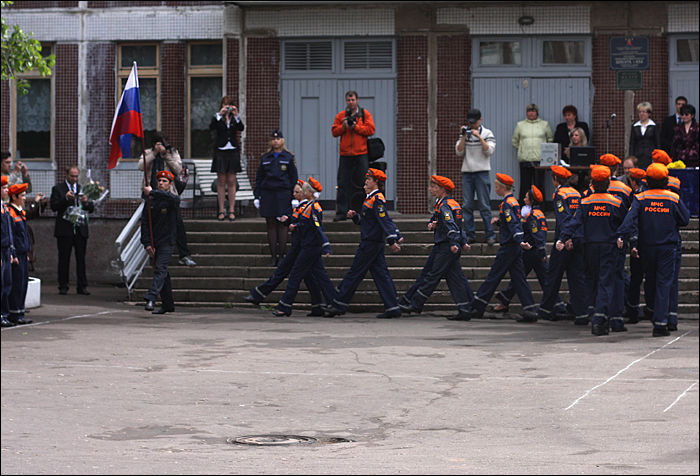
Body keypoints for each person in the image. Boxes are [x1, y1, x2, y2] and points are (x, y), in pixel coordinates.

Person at [617, 163, 690, 337]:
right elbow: (685, 219)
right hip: (667, 247)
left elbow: (629, 219)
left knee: (649, 281)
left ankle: (651, 309)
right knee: (664, 284)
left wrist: (621, 235)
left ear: (647, 181)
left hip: (646, 247)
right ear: (665, 180)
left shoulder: (641, 197)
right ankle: (660, 323)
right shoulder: (672, 198)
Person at [323, 168, 404, 319]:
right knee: (381, 275)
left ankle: (338, 304)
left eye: (369, 179)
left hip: (371, 243)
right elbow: (369, 221)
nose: (366, 181)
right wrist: (356, 217)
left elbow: (383, 219)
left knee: (355, 273)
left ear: (376, 182)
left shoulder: (377, 199)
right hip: (372, 240)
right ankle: (393, 307)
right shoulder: (370, 198)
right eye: (366, 178)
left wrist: (392, 239)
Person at [557, 166, 626, 336]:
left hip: (590, 248)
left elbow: (574, 222)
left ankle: (597, 314)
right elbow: (625, 223)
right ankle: (599, 319)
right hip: (608, 247)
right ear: (608, 183)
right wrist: (623, 237)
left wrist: (562, 238)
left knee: (594, 282)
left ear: (592, 183)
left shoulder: (585, 201)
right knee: (605, 283)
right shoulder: (616, 202)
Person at [460, 173, 539, 322]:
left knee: (494, 276)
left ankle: (478, 306)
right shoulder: (513, 202)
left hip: (509, 246)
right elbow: (512, 222)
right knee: (519, 279)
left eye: (496, 187)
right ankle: (530, 310)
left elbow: (513, 224)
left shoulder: (507, 204)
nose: (495, 189)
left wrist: (519, 239)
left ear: (503, 188)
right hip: (513, 245)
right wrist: (500, 222)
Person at [244, 180, 326, 316]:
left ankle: (283, 304)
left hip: (305, 247)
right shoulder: (299, 206)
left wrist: (325, 245)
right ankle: (318, 305)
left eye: (298, 192)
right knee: (305, 277)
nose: (295, 194)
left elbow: (315, 227)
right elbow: (294, 218)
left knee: (299, 276)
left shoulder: (311, 207)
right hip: (299, 246)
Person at [398, 175, 474, 321]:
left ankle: (416, 304)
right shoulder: (452, 203)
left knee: (433, 275)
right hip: (448, 244)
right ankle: (465, 308)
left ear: (442, 190)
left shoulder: (445, 205)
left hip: (445, 246)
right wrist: (462, 241)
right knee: (455, 278)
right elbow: (459, 226)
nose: (430, 189)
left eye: (433, 187)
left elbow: (451, 225)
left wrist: (453, 243)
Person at [492, 185, 568, 318]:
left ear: (531, 200)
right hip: (535, 252)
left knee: (520, 278)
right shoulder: (539, 214)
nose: (524, 199)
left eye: (526, 197)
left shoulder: (532, 216)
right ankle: (558, 306)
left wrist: (542, 252)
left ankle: (555, 306)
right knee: (541, 280)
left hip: (531, 252)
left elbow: (537, 235)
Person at [273, 178, 336, 317]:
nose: (304, 192)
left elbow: (317, 228)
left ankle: (285, 306)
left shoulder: (314, 208)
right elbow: (306, 224)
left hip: (310, 247)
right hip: (308, 245)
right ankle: (333, 303)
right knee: (321, 276)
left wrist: (325, 245)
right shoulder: (308, 206)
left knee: (295, 274)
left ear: (311, 193)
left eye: (306, 190)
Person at [537, 165, 588, 325]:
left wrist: (566, 238)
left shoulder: (560, 194)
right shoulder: (577, 193)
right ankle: (581, 313)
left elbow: (564, 218)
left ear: (555, 179)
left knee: (554, 275)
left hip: (564, 240)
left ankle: (545, 309)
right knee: (576, 277)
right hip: (578, 238)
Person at [139, 131, 197, 268]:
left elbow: (178, 170)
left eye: (163, 143)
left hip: (169, 195)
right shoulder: (147, 152)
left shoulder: (172, 152)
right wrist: (153, 154)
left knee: (178, 224)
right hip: (152, 195)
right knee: (152, 225)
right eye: (158, 143)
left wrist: (165, 154)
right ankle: (154, 256)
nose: (161, 146)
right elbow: (141, 166)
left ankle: (184, 255)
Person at [253, 129, 298, 267]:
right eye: (273, 139)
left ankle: (283, 256)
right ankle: (273, 257)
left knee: (283, 225)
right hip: (268, 194)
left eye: (278, 139)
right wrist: (257, 196)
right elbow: (259, 178)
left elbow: (293, 178)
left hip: (283, 194)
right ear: (271, 141)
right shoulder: (265, 157)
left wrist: (294, 196)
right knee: (271, 224)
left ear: (282, 140)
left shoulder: (288, 157)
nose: (276, 141)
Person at [331, 90, 376, 221]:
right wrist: (344, 127)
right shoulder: (341, 116)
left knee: (364, 182)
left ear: (357, 100)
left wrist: (356, 127)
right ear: (346, 101)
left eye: (353, 100)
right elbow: (334, 132)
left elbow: (371, 130)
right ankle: (342, 212)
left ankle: (363, 210)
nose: (351, 102)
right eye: (348, 100)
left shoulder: (364, 114)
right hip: (345, 154)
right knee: (342, 183)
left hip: (361, 154)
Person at [50, 166, 94, 295]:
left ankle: (82, 286)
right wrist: (65, 198)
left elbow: (91, 207)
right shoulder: (58, 189)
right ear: (67, 175)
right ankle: (63, 285)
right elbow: (54, 206)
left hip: (80, 228)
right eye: (72, 176)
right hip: (65, 229)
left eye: (76, 176)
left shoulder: (82, 189)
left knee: (81, 258)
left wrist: (86, 202)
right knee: (64, 258)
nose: (74, 179)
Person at [141, 170, 180, 315]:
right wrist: (146, 243)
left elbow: (173, 199)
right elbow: (145, 222)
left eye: (165, 181)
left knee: (160, 269)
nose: (161, 183)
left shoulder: (171, 199)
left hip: (167, 241)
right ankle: (168, 304)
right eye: (160, 181)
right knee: (163, 273)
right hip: (154, 241)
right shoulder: (151, 200)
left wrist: (152, 193)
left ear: (170, 184)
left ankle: (151, 297)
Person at [456, 108, 497, 245]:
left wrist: (479, 137)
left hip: (482, 172)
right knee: (467, 205)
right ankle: (469, 234)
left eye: (474, 122)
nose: (472, 125)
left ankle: (490, 234)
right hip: (467, 172)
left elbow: (489, 151)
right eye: (470, 122)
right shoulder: (465, 133)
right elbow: (459, 152)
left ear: (480, 120)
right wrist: (463, 136)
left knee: (484, 204)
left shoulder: (487, 133)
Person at [210, 95, 245, 221]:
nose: (227, 108)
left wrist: (236, 115)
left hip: (232, 152)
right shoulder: (218, 118)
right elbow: (212, 127)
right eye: (225, 105)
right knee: (221, 181)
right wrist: (220, 115)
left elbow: (241, 128)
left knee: (231, 181)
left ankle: (231, 209)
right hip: (221, 151)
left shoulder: (235, 119)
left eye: (229, 105)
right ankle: (220, 210)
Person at [511, 103, 553, 199]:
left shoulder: (544, 124)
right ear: (526, 113)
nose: (531, 113)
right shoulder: (520, 125)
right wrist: (522, 149)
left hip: (540, 160)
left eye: (533, 111)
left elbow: (550, 139)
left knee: (539, 185)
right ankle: (523, 207)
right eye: (529, 111)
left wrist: (545, 152)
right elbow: (515, 141)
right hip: (525, 159)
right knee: (525, 185)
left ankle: (541, 207)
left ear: (537, 113)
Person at [6, 183, 33, 325]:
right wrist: (14, 253)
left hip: (23, 253)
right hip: (16, 254)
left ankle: (20, 311)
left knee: (23, 283)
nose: (24, 198)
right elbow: (12, 236)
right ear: (14, 197)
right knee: (16, 284)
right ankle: (14, 313)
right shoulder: (11, 212)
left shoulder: (19, 211)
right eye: (22, 196)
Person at [1, 175, 18, 327]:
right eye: (4, 188)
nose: (7, 191)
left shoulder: (4, 207)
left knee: (7, 284)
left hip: (6, 250)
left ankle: (4, 314)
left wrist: (12, 252)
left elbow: (9, 232)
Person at [629, 101, 660, 168]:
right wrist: (631, 157)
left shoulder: (654, 126)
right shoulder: (635, 126)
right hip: (638, 156)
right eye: (640, 112)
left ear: (649, 113)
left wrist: (657, 157)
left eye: (644, 112)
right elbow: (632, 143)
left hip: (650, 157)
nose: (641, 114)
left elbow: (657, 143)